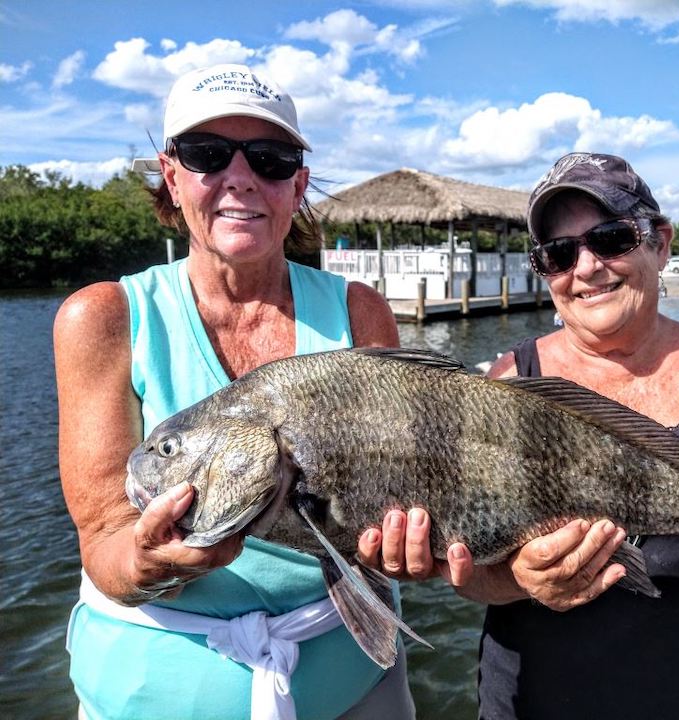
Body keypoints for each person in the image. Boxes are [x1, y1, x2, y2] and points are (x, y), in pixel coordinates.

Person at [358, 152, 679, 719]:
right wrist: (518, 579)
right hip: (538, 700)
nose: (585, 267)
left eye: (610, 238)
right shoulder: (503, 383)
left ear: (660, 242)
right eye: (558, 253)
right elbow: (472, 573)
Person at [54, 63, 413, 720]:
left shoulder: (360, 310)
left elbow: (393, 507)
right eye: (208, 155)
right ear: (171, 175)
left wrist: (415, 548)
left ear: (298, 186)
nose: (241, 177)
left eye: (272, 160)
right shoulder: (102, 318)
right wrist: (144, 559)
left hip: (354, 686)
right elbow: (104, 537)